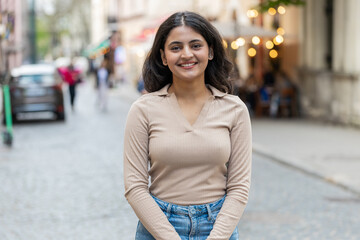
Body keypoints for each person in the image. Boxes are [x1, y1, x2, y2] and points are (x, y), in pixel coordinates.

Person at [124, 11, 252, 240]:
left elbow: (239, 187)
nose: (186, 54)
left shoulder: (235, 110)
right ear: (163, 57)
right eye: (175, 48)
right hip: (158, 228)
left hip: (218, 228)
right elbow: (135, 187)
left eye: (195, 45)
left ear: (210, 51)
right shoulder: (143, 110)